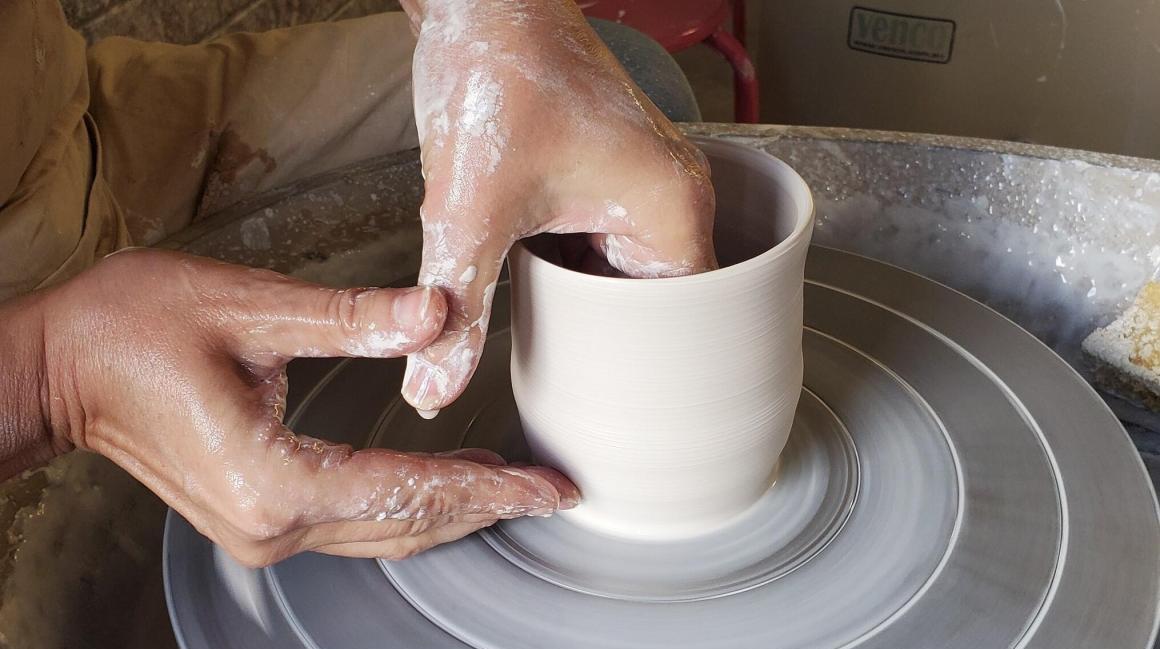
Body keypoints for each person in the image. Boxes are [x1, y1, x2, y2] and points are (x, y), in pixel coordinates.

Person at [0, 0, 717, 566]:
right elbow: (43, 369)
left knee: (625, 74)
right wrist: (53, 375)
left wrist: (498, 22)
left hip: (70, 117)